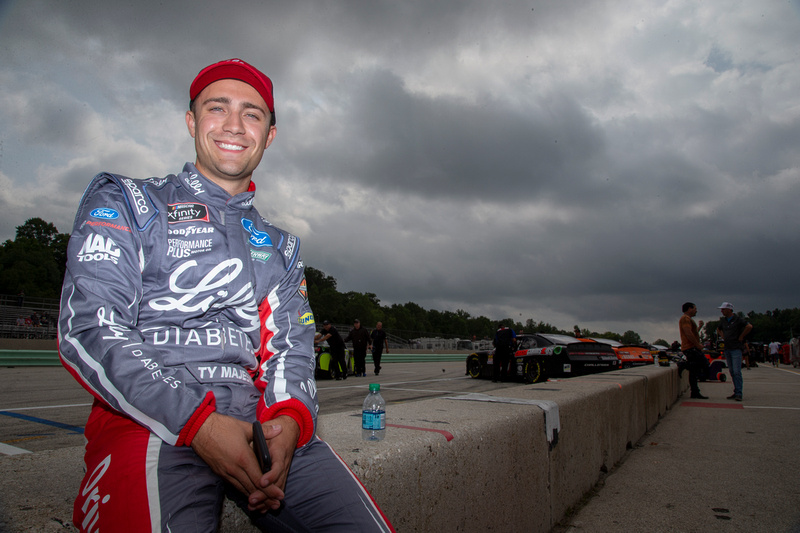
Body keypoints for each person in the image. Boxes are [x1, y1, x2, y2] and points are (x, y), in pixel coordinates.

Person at [58, 58, 393, 532]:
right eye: (218, 108)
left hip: (260, 425)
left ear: (269, 135)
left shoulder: (279, 246)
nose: (234, 125)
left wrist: (289, 426)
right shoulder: (127, 201)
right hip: (147, 421)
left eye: (252, 113)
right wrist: (199, 424)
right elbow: (89, 327)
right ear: (192, 121)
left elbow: (292, 350)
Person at [715, 302, 752, 402]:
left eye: (723, 309)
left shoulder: (738, 319)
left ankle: (739, 393)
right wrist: (723, 336)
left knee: (736, 371)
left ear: (729, 309)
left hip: (736, 348)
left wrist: (741, 336)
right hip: (727, 348)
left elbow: (749, 326)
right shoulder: (723, 321)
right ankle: (736, 391)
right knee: (731, 371)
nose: (722, 311)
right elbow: (718, 328)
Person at [679, 302, 708, 399]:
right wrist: (697, 345)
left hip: (691, 347)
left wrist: (699, 327)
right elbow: (688, 333)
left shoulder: (688, 319)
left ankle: (695, 392)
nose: (696, 310)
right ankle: (683, 365)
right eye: (695, 308)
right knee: (704, 364)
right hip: (690, 348)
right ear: (689, 309)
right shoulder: (685, 319)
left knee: (694, 371)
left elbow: (692, 332)